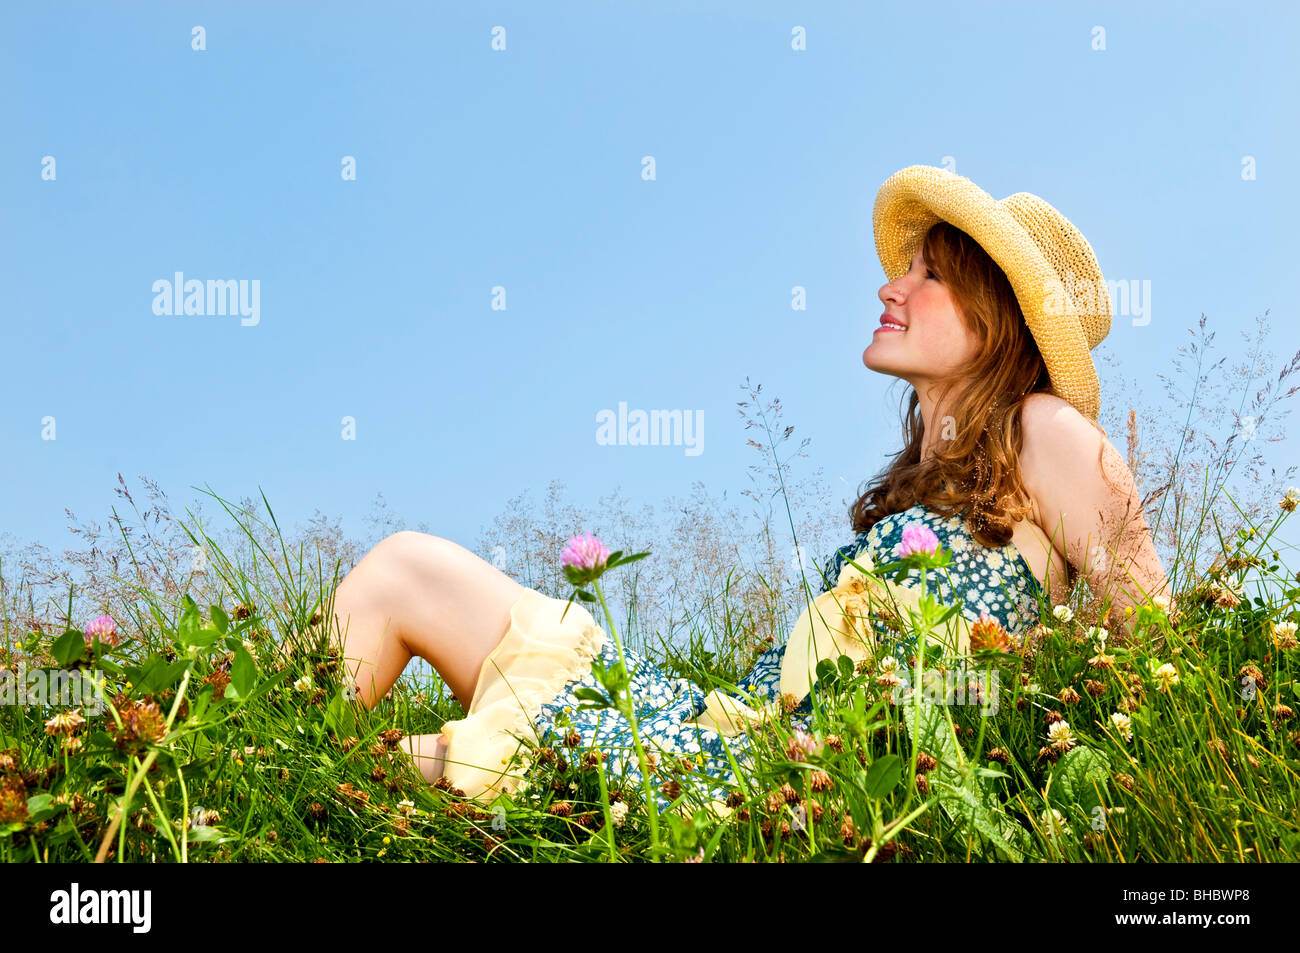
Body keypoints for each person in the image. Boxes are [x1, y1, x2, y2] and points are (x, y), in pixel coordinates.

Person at [325, 164, 1169, 818]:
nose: (890, 288)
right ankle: (270, 728)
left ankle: (268, 775)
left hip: (780, 780)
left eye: (929, 276)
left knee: (418, 763)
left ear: (998, 315)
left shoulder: (1047, 429)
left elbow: (1160, 651)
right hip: (720, 725)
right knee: (406, 569)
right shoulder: (928, 489)